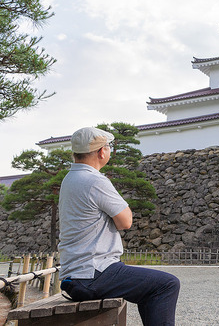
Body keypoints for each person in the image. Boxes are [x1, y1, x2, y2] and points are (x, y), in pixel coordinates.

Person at [58, 126, 180, 325]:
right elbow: (125, 222)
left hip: (75, 275)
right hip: (94, 272)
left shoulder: (69, 179)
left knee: (150, 287)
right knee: (167, 284)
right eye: (108, 146)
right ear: (101, 152)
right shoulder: (95, 180)